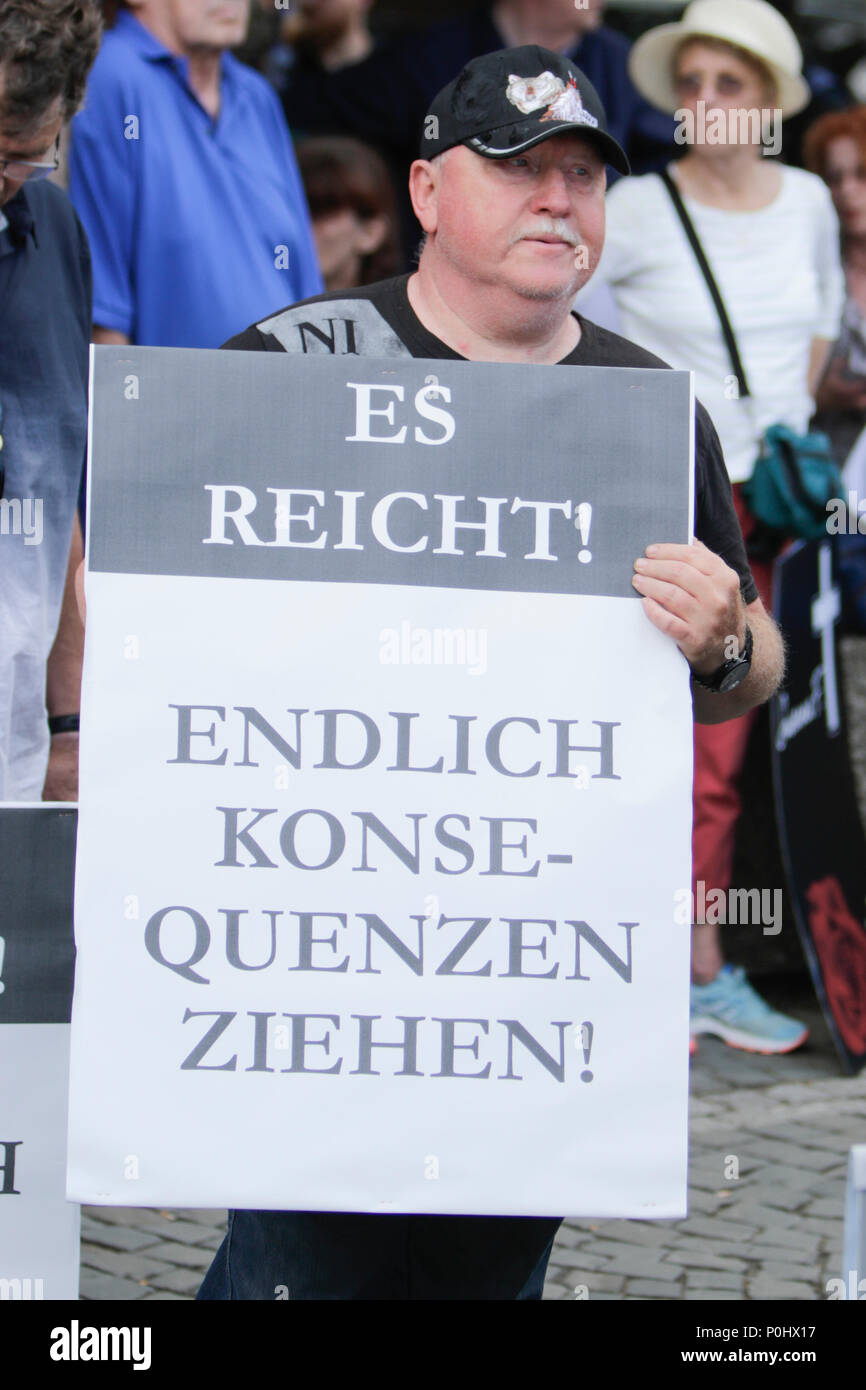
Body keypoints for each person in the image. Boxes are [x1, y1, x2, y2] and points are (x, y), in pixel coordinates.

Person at [197, 44, 785, 1301]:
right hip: (326, 945)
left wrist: (725, 636)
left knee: (487, 1271)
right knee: (301, 1267)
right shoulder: (287, 369)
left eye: (582, 176)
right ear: (422, 192)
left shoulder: (647, 407)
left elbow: (744, 670)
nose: (558, 203)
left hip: (539, 962)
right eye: (520, 170)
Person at [583, 0, 846, 1055]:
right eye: (687, 83)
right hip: (677, 502)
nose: (700, 103)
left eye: (726, 84)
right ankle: (683, 969)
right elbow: (579, 343)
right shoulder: (635, 207)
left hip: (776, 506)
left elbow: (819, 334)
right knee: (697, 746)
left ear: (770, 101)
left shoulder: (810, 203)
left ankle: (684, 962)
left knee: (756, 743)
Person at [279, 0, 678, 263]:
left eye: (581, 170)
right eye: (517, 162)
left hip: (574, 280)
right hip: (444, 279)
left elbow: (671, 153)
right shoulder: (428, 58)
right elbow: (303, 110)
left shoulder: (618, 63)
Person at [67, 0, 323, 350]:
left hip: (285, 390)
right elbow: (103, 306)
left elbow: (305, 281)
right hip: (170, 396)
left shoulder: (256, 94)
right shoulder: (112, 76)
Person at [0, 0, 102, 802]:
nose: (4, 182)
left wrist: (68, 725)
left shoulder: (52, 226)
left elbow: (56, 484)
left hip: (16, 747)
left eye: (23, 158)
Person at [805, 106, 866, 467]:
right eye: (834, 177)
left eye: (862, 174)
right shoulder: (811, 271)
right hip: (827, 475)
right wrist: (822, 396)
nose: (846, 190)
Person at [296, 135, 401, 291]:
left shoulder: (402, 312)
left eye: (320, 214)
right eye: (295, 212)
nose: (302, 227)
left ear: (370, 232)